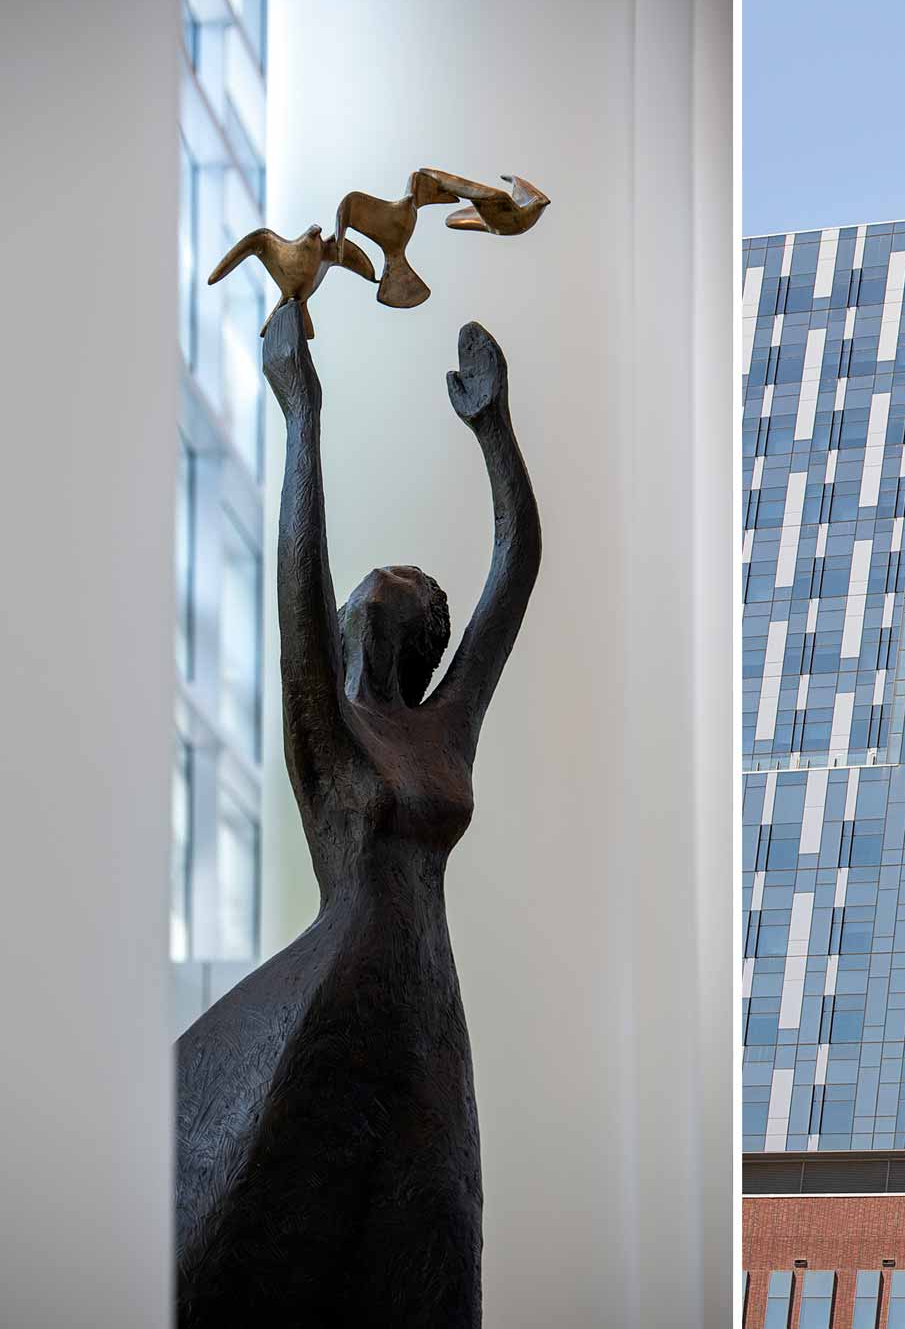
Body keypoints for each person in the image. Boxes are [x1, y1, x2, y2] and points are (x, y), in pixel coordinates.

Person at [173, 298, 540, 1328]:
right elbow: (298, 571)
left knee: (430, 1254)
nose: (414, 578)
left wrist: (496, 435)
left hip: (427, 1016)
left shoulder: (443, 727)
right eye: (390, 582)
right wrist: (302, 412)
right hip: (332, 1006)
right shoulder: (329, 732)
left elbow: (514, 573)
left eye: (424, 587)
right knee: (248, 1236)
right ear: (351, 622)